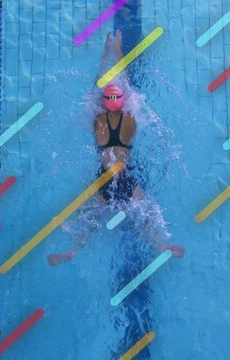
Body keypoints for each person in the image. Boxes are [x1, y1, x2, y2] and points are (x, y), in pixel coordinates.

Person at [47, 30, 185, 266]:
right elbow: (128, 85)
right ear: (123, 101)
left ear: (103, 102)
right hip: (126, 177)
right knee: (146, 216)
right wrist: (120, 52)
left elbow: (95, 86)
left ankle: (74, 250)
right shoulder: (131, 119)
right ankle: (161, 244)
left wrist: (106, 52)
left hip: (104, 179)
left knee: (88, 218)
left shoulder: (97, 120)